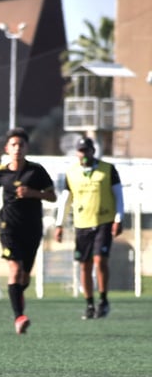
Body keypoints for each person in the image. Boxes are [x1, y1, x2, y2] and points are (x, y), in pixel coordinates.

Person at [0, 128, 56, 334]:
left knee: (25, 277)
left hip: (32, 228)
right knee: (15, 270)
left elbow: (52, 196)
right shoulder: (1, 172)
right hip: (8, 227)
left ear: (26, 148)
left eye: (21, 145)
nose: (17, 148)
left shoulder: (36, 171)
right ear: (7, 148)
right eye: (13, 145)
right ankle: (19, 316)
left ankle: (18, 300)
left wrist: (32, 193)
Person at [54, 136, 124, 320]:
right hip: (82, 224)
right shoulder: (71, 173)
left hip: (103, 222)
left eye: (86, 150)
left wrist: (118, 219)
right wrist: (59, 224)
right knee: (84, 265)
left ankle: (103, 300)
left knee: (100, 260)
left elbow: (119, 196)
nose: (83, 154)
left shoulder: (108, 170)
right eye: (80, 151)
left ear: (93, 151)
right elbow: (65, 200)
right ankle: (90, 304)